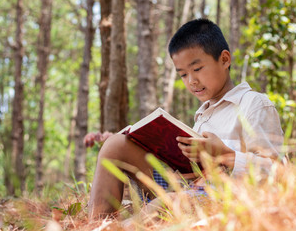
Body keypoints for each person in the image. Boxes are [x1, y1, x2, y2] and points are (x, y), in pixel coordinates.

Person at [87, 18, 283, 220]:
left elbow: (278, 172)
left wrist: (225, 154)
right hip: (187, 189)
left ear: (225, 60)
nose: (192, 81)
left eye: (197, 69)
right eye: (183, 74)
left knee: (165, 203)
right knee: (116, 145)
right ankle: (95, 223)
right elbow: (194, 172)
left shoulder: (254, 104)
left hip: (224, 201)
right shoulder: (203, 115)